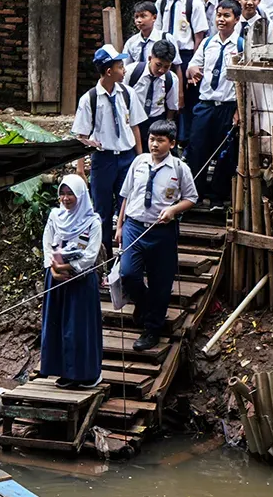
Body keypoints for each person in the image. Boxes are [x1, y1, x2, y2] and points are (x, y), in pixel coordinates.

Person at [115, 120, 198, 352]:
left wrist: (173, 210)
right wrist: (120, 226)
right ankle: (143, 304)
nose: (154, 144)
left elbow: (191, 198)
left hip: (162, 232)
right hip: (134, 226)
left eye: (160, 141)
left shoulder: (180, 169)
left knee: (160, 282)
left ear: (171, 143)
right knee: (128, 273)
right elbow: (126, 195)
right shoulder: (138, 162)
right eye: (152, 139)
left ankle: (152, 329)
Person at [71, 44, 148, 258]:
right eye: (120, 66)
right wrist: (80, 169)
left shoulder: (128, 94)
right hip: (103, 160)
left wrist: (140, 159)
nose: (124, 70)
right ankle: (105, 259)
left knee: (129, 208)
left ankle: (128, 257)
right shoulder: (90, 99)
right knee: (102, 212)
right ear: (108, 71)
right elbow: (82, 136)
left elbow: (135, 127)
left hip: (126, 158)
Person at [40, 175, 104, 389]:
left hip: (80, 281)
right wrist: (53, 268)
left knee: (79, 327)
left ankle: (87, 374)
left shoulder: (92, 222)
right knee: (58, 325)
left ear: (81, 195)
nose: (66, 198)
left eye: (71, 194)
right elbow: (47, 244)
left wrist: (65, 268)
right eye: (63, 193)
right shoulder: (55, 217)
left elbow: (90, 256)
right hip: (57, 279)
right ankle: (65, 371)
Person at [187, 0, 244, 204]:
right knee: (197, 149)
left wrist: (239, 110)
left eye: (226, 15)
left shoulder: (241, 45)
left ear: (236, 19)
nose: (221, 19)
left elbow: (246, 82)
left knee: (226, 153)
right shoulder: (207, 42)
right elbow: (193, 66)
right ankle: (195, 195)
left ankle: (218, 198)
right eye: (219, 15)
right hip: (206, 105)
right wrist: (192, 70)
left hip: (228, 107)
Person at [155, 0, 207, 149]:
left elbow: (199, 37)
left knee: (187, 102)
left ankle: (189, 144)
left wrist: (192, 65)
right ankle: (167, 141)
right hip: (166, 58)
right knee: (167, 101)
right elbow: (158, 33)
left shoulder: (194, 3)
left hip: (186, 58)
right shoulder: (161, 3)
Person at [126, 39, 180, 149]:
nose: (161, 70)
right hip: (133, 121)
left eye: (166, 67)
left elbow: (171, 108)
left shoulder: (171, 79)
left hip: (156, 121)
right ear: (150, 58)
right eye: (158, 65)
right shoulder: (132, 72)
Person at [122, 1, 183, 68]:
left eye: (143, 16)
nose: (139, 20)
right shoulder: (131, 42)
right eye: (136, 17)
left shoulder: (166, 38)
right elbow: (126, 66)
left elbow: (177, 65)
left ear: (154, 17)